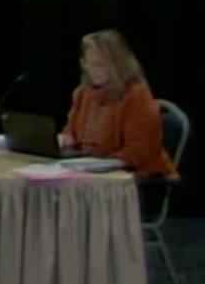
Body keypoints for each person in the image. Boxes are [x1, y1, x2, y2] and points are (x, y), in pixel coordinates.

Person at [59, 30, 177, 176]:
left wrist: (98, 164)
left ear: (118, 64)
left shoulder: (136, 95)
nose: (93, 71)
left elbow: (138, 153)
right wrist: (66, 139)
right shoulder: (83, 93)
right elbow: (70, 131)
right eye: (89, 64)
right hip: (90, 173)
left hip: (139, 180)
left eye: (100, 65)